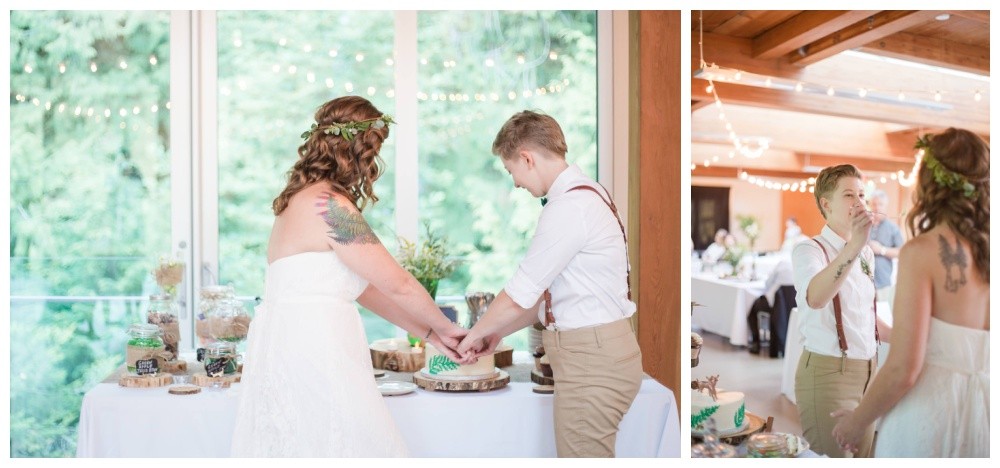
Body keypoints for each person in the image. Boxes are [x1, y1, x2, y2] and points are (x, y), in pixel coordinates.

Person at [230, 96, 468, 457]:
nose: (372, 165)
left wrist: (431, 333)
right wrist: (449, 329)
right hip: (316, 347)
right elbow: (396, 282)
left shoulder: (297, 201)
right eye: (372, 153)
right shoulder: (329, 207)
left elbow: (365, 288)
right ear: (356, 151)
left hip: (289, 342)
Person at [456, 110, 642, 458]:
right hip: (600, 353)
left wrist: (473, 335)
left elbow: (518, 292)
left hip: (593, 363)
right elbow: (550, 296)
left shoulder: (570, 206)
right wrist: (497, 334)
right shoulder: (586, 195)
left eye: (511, 170)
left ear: (526, 157)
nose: (515, 182)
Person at [832, 128, 989, 457]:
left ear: (931, 181)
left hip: (936, 412)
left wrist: (857, 422)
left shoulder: (922, 252)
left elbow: (904, 367)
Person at [790, 164, 892, 458]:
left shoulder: (866, 254)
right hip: (829, 373)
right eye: (849, 195)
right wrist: (855, 245)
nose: (860, 202)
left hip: (870, 374)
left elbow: (866, 319)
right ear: (826, 203)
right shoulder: (808, 250)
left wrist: (913, 339)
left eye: (861, 194)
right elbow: (817, 298)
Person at [746, 252, 794, 355]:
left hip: (775, 305)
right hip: (793, 307)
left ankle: (755, 343)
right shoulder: (801, 266)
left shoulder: (782, 264)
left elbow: (767, 284)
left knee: (753, 311)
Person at [866, 190, 904, 307]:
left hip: (883, 283)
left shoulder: (893, 228)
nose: (877, 208)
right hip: (863, 283)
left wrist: (882, 250)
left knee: (881, 317)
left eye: (880, 204)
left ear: (885, 206)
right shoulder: (862, 226)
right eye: (874, 204)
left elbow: (902, 252)